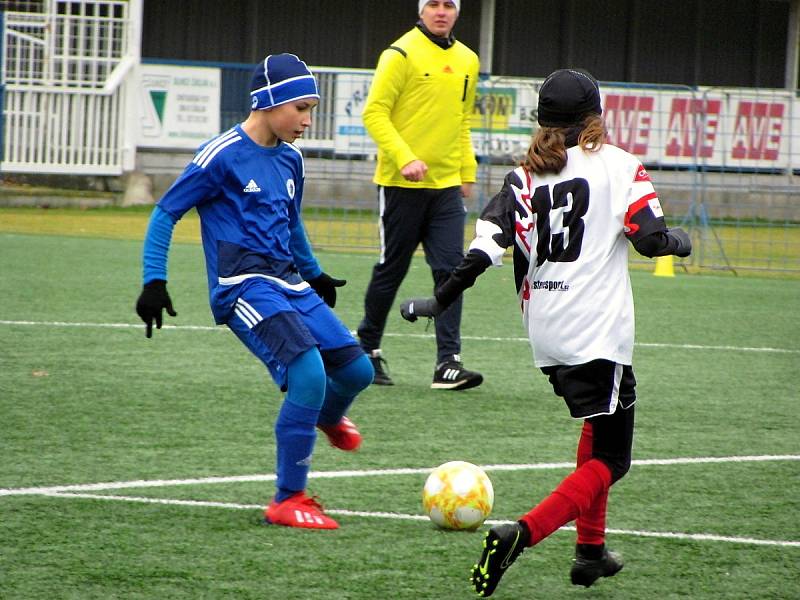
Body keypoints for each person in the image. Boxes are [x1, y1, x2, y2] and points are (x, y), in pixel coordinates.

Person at [399, 68, 692, 595]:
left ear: (541, 121)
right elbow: (648, 240)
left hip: (547, 335)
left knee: (596, 426)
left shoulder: (522, 178)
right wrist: (679, 242)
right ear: (594, 117)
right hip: (597, 332)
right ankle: (522, 533)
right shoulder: (622, 167)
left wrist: (435, 301)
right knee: (613, 458)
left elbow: (481, 254)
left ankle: (589, 553)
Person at [135, 53, 374, 530]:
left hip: (288, 282)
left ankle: (325, 417)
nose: (308, 121)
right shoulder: (220, 156)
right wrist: (153, 281)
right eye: (301, 109)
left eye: (312, 109)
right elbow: (165, 214)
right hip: (241, 286)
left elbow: (291, 222)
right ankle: (288, 498)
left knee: (356, 371)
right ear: (268, 102)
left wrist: (314, 273)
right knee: (308, 373)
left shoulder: (291, 158)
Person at [356, 0, 483, 390]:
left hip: (445, 188)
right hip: (399, 185)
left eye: (449, 5)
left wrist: (466, 170)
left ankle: (448, 363)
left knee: (452, 271)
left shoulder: (467, 60)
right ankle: (367, 352)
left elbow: (461, 119)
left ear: (458, 12)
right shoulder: (399, 53)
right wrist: (405, 157)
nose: (441, 11)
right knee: (390, 270)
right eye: (433, 4)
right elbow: (374, 113)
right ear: (421, 10)